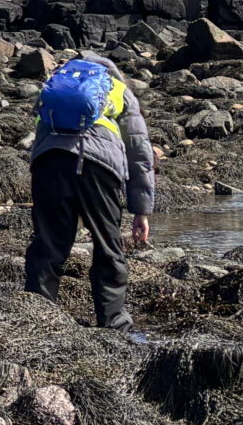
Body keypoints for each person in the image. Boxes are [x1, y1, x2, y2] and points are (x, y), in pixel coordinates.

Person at [22, 55, 155, 333]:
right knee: (107, 244)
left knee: (48, 243)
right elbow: (139, 151)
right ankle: (113, 323)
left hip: (51, 162)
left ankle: (37, 318)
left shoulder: (56, 84)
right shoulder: (118, 89)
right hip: (100, 168)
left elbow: (40, 124)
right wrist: (140, 209)